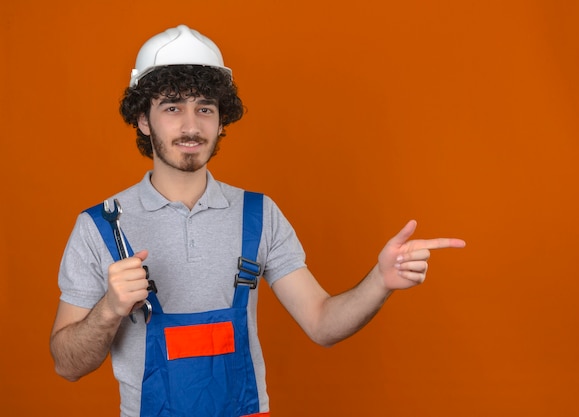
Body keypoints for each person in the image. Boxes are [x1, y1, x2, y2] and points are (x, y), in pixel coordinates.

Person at [50, 24, 466, 417]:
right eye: (172, 107)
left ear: (220, 119)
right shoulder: (101, 226)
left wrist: (380, 279)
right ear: (144, 119)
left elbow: (322, 323)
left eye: (205, 109)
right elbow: (67, 365)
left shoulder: (259, 215)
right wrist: (109, 309)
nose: (191, 126)